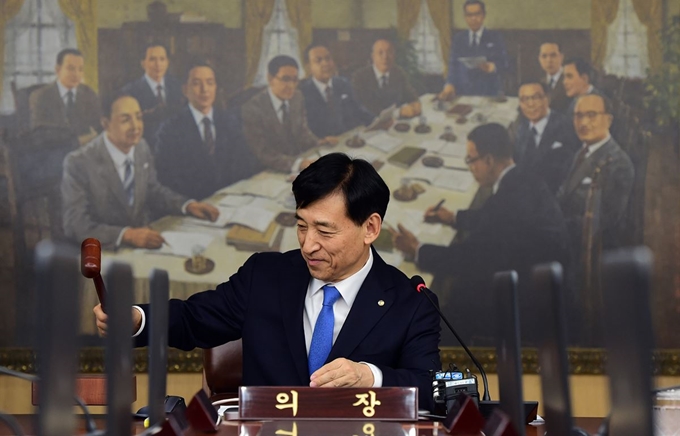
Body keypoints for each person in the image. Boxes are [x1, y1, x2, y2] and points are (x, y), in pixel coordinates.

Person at [93, 152, 442, 410]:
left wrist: (370, 377)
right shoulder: (266, 275)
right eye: (302, 225)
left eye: (324, 230)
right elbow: (194, 318)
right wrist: (139, 319)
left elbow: (429, 387)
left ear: (370, 228)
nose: (308, 244)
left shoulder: (410, 301)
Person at [391, 123, 569, 345]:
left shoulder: (505, 202)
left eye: (471, 160)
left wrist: (417, 249)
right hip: (539, 277)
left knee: (421, 313)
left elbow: (468, 258)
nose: (470, 167)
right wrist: (453, 217)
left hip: (524, 302)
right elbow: (493, 222)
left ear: (489, 160)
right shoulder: (521, 178)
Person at [61, 93, 219, 250]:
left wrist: (187, 205)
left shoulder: (141, 147)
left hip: (143, 246)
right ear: (105, 123)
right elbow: (75, 224)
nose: (136, 126)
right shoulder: (78, 162)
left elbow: (152, 190)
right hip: (104, 252)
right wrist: (126, 235)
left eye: (139, 117)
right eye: (125, 120)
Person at [154, 61, 260, 200]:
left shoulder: (229, 122)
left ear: (216, 87)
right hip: (192, 206)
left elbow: (245, 165)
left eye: (210, 83)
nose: (205, 89)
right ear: (185, 90)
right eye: (197, 83)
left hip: (229, 200)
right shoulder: (170, 129)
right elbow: (168, 179)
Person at [558, 94, 634, 253]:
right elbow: (564, 193)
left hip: (594, 253)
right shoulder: (582, 151)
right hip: (569, 237)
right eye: (578, 116)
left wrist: (555, 227)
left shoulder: (618, 164)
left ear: (609, 120)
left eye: (592, 115)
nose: (583, 123)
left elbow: (602, 222)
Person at [242, 55, 337, 173]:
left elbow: (303, 131)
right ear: (270, 79)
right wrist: (298, 164)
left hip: (297, 167)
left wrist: (319, 142)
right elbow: (263, 152)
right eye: (285, 79)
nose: (291, 86)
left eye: (295, 80)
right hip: (269, 172)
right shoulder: (252, 109)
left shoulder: (297, 97)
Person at [513, 81, 579, 194]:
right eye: (524, 99)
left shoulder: (566, 127)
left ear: (547, 99)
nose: (530, 104)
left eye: (536, 97)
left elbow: (567, 174)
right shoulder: (522, 127)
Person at [299, 43, 374, 137]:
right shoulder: (302, 93)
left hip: (348, 139)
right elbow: (304, 131)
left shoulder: (343, 83)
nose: (325, 63)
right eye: (318, 60)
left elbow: (359, 109)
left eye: (328, 58)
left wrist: (377, 122)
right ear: (308, 67)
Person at [438, 0, 509, 98]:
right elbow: (453, 66)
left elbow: (505, 63)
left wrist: (494, 67)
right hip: (462, 93)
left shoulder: (495, 37)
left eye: (477, 14)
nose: (473, 18)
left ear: (483, 15)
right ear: (465, 17)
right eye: (469, 15)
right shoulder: (459, 39)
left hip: (489, 93)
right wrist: (449, 85)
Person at [29, 48, 101, 144]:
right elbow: (40, 136)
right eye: (71, 68)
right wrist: (77, 141)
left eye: (80, 69)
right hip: (53, 153)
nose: (76, 74)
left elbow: (98, 128)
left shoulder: (89, 94)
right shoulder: (40, 96)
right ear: (58, 70)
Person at [121, 42, 184, 145]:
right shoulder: (130, 91)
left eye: (162, 59)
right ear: (143, 63)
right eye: (152, 59)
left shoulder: (177, 87)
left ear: (168, 62)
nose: (158, 64)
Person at [351, 39, 422, 118]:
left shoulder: (398, 73)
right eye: (380, 53)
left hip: (395, 124)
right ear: (373, 57)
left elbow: (410, 95)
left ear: (394, 55)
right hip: (370, 124)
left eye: (389, 52)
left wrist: (415, 103)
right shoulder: (360, 77)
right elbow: (366, 108)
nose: (385, 57)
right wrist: (398, 112)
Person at [538, 42, 570, 113]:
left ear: (561, 57)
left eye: (553, 55)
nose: (549, 60)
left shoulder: (569, 79)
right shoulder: (540, 83)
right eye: (544, 56)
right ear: (539, 59)